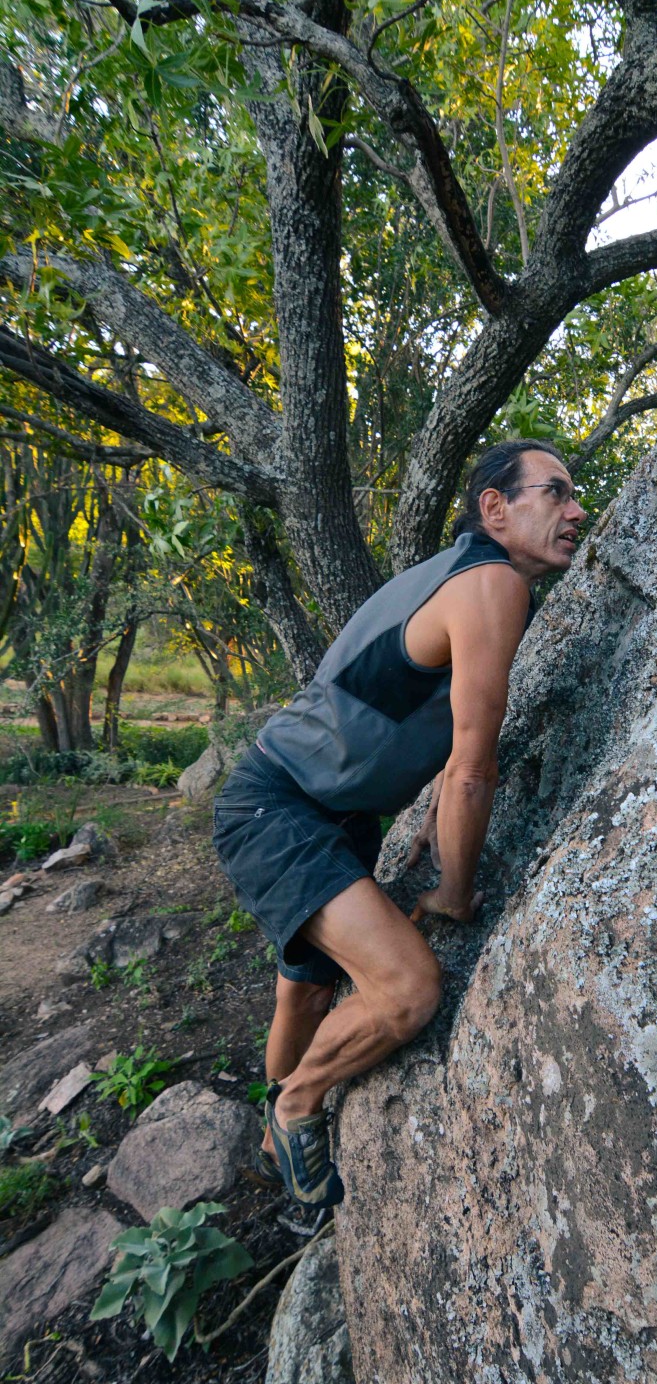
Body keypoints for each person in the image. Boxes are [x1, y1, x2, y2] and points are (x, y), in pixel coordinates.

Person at [212, 440, 585, 1208]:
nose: (577, 511)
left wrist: (429, 810)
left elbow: (435, 732)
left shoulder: (457, 575)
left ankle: (272, 1151)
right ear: (495, 507)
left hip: (318, 806)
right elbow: (473, 768)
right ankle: (295, 1105)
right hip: (279, 809)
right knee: (409, 989)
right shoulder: (490, 583)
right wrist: (454, 890)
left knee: (306, 992)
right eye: (556, 492)